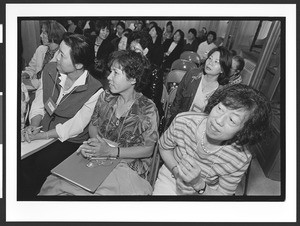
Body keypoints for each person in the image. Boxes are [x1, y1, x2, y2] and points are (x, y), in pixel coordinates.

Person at [38, 50, 159, 195]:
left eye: (115, 73)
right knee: (54, 183)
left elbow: (148, 149)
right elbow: (93, 125)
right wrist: (97, 145)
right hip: (98, 156)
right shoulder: (105, 97)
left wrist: (111, 151)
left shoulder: (147, 108)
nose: (109, 77)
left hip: (129, 164)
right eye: (110, 72)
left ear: (133, 79)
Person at [20, 33, 103, 199]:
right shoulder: (50, 70)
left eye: (62, 55)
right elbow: (39, 100)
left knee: (38, 165)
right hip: (42, 130)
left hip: (69, 140)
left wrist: (43, 135)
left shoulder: (95, 89)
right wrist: (34, 124)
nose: (56, 57)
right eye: (58, 51)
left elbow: (76, 126)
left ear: (78, 64)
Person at [153, 84, 272, 195]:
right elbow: (164, 147)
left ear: (245, 131)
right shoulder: (184, 121)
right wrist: (176, 172)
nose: (218, 120)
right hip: (171, 175)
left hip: (206, 189)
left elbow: (222, 195)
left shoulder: (239, 157)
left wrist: (198, 185)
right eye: (220, 108)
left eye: (232, 120)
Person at [168, 46, 232, 125]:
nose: (210, 63)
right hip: (180, 121)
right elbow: (178, 97)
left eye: (216, 62)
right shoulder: (192, 75)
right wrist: (173, 118)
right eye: (210, 58)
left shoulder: (221, 92)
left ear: (222, 69)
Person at [128, 30, 164, 119]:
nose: (131, 53)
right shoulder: (129, 65)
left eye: (135, 49)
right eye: (131, 48)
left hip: (146, 112)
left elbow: (153, 101)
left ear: (145, 51)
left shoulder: (154, 71)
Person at [21, 20, 66, 88]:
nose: (40, 35)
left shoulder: (62, 55)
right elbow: (32, 68)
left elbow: (51, 82)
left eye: (44, 33)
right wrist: (25, 74)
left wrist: (29, 83)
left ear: (53, 35)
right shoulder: (40, 49)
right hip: (34, 86)